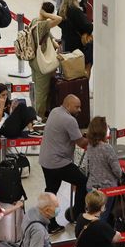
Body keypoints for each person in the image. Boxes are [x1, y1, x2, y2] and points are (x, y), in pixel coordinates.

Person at [40, 94, 89, 231]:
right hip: (59, 162)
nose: (79, 109)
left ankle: (49, 223)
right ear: (68, 105)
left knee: (51, 190)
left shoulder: (55, 111)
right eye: (77, 107)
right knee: (83, 182)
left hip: (46, 160)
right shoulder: (69, 120)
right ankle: (78, 215)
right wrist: (94, 137)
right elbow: (81, 142)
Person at [29, 3, 64, 116]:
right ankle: (39, 116)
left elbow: (47, 34)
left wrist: (53, 41)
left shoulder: (34, 21)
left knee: (36, 87)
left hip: (33, 59)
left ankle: (35, 111)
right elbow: (59, 18)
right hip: (41, 62)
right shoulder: (44, 24)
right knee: (42, 92)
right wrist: (47, 14)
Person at [60, 0, 94, 74]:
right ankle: (83, 85)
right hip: (78, 45)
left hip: (66, 43)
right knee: (86, 66)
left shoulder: (61, 10)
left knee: (70, 67)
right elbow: (88, 27)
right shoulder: (76, 11)